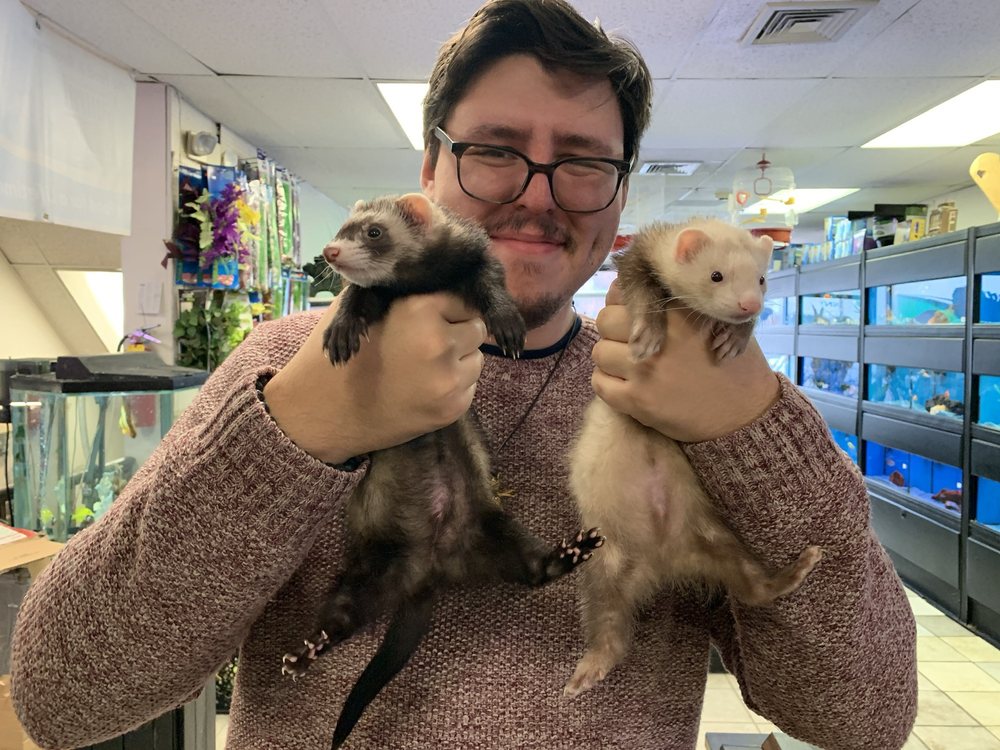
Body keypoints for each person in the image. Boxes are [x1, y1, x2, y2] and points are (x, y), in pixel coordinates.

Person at [11, 1, 917, 748]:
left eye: (583, 163)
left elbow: (864, 717)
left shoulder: (694, 399)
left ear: (620, 196)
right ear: (430, 171)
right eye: (494, 149)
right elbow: (62, 697)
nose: (537, 193)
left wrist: (755, 436)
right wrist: (298, 431)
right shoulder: (284, 363)